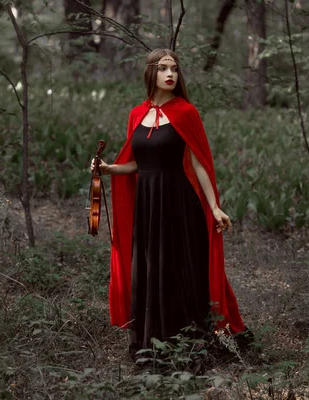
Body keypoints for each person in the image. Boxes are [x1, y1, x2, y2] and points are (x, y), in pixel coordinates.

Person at [91, 48, 250, 360]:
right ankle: (151, 344)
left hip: (180, 204)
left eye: (174, 69)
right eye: (163, 68)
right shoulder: (136, 114)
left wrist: (214, 206)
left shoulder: (186, 112)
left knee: (179, 270)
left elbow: (200, 163)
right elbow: (137, 163)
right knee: (149, 270)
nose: (170, 74)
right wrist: (108, 169)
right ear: (151, 72)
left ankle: (190, 345)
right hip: (148, 206)